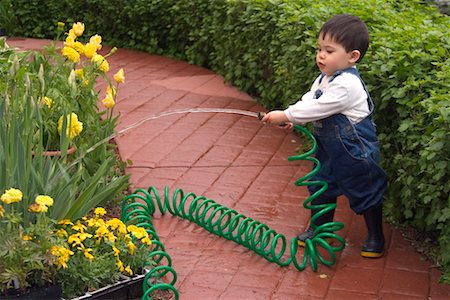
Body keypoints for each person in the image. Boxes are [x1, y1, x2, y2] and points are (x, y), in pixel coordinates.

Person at [261, 14, 388, 258]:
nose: (321, 55)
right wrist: (290, 117)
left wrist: (287, 114)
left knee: (365, 188)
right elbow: (309, 101)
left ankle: (375, 236)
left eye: (329, 51)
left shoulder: (347, 85)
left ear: (352, 56)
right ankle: (320, 228)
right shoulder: (325, 78)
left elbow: (318, 108)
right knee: (321, 183)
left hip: (355, 151)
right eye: (319, 49)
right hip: (330, 148)